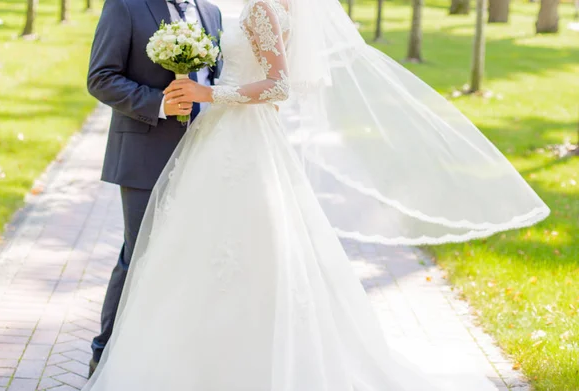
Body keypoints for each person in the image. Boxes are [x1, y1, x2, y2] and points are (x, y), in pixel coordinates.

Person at [83, 0, 549, 389]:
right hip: (191, 144)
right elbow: (103, 75)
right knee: (151, 254)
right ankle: (117, 354)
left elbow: (276, 84)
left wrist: (210, 96)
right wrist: (177, 99)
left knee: (227, 251)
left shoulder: (248, 8)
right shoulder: (147, 5)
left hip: (233, 140)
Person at [85, 0, 222, 377]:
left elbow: (213, 81)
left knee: (186, 258)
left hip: (206, 156)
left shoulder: (212, 13)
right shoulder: (125, 7)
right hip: (144, 155)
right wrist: (159, 103)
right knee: (138, 256)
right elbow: (100, 77)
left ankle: (165, 355)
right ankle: (105, 354)